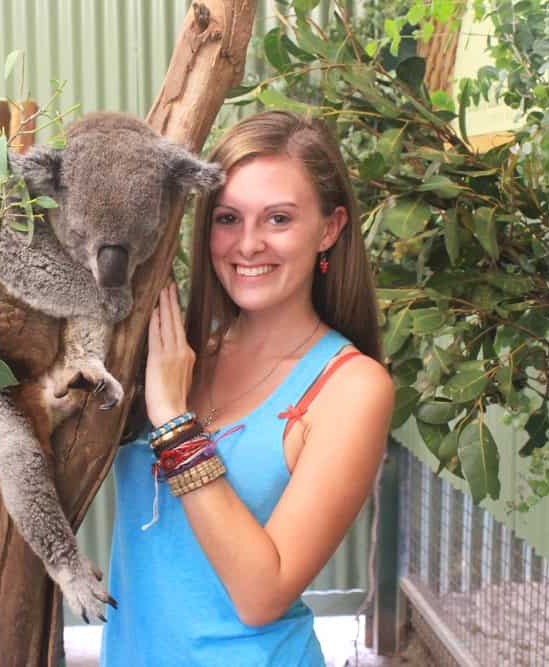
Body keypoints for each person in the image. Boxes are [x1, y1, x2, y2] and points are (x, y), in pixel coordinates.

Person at [100, 110, 394, 666]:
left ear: (329, 229)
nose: (248, 244)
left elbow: (262, 595)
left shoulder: (350, 388)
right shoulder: (180, 357)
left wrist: (172, 422)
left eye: (278, 219)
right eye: (228, 218)